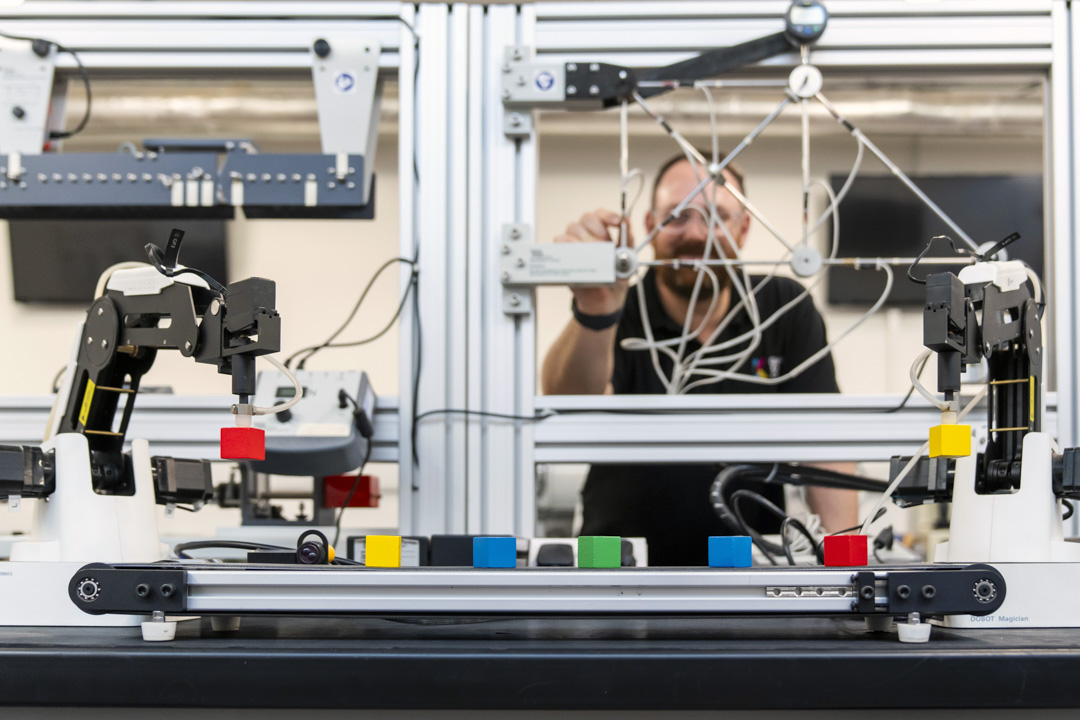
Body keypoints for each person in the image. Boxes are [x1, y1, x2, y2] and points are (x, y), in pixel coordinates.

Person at [541, 150, 858, 566]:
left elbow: (825, 442)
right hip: (617, 563)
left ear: (744, 229)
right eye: (677, 216)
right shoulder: (621, 306)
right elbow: (568, 401)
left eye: (716, 216)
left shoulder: (782, 308)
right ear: (650, 227)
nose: (696, 233)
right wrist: (595, 310)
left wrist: (848, 570)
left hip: (750, 565)